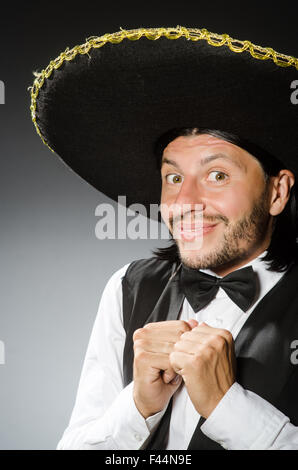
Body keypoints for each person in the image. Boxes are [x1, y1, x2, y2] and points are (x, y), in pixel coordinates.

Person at [30, 27, 298, 449]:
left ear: (276, 192)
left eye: (217, 175)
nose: (184, 201)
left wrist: (227, 406)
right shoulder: (127, 287)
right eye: (173, 177)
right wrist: (138, 405)